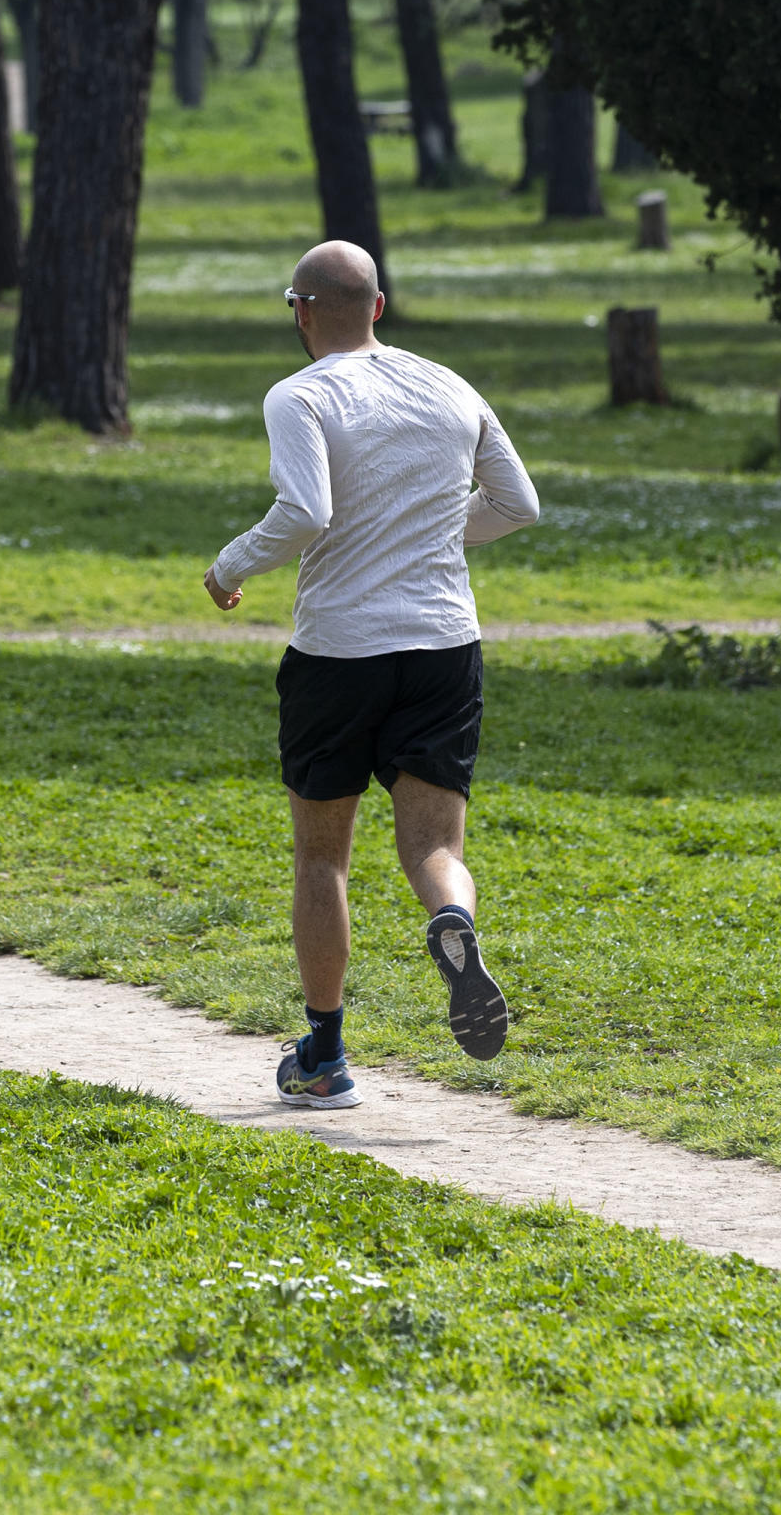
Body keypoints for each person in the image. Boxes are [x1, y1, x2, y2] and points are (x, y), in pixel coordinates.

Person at [204, 240, 541, 1110]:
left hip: (338, 656)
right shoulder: (451, 386)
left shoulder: (300, 395)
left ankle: (324, 1058)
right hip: (443, 648)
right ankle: (454, 921)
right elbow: (519, 504)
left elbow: (306, 510)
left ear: (302, 311)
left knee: (323, 857)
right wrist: (425, 530)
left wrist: (231, 565)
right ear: (379, 308)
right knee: (436, 848)